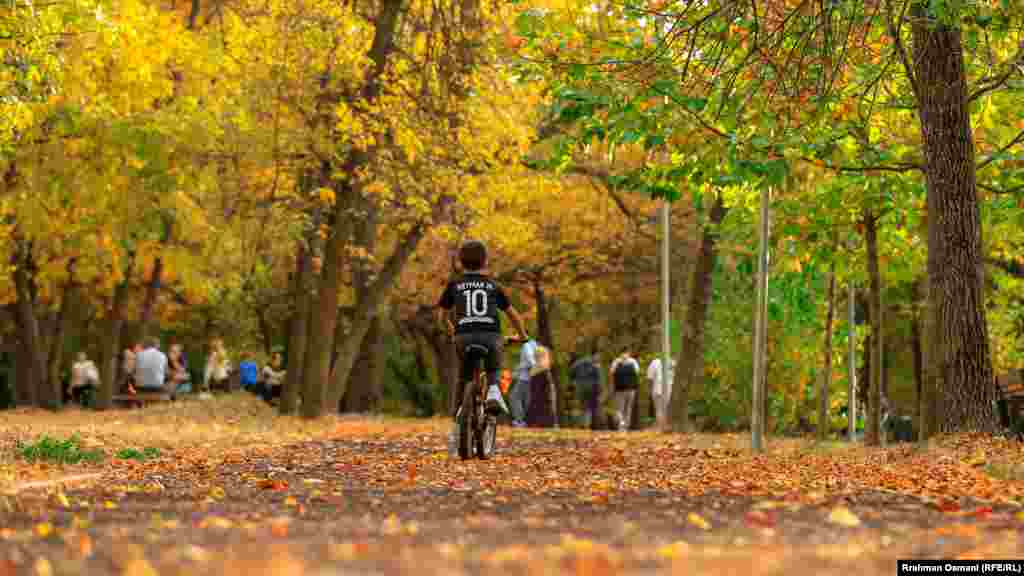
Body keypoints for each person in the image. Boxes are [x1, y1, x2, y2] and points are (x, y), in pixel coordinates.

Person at [436, 239, 530, 418]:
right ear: (485, 261)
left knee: (463, 376)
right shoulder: (494, 286)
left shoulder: (454, 285)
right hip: (490, 335)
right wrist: (522, 335)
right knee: (493, 367)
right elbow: (513, 315)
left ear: (460, 262)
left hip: (463, 336)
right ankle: (493, 392)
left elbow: (442, 317)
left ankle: (458, 411)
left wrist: (452, 332)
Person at [526, 345, 558, 428]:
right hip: (545, 405)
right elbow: (549, 392)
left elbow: (533, 392)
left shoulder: (533, 371)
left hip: (537, 403)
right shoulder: (545, 372)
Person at [569, 349, 601, 428]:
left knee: (579, 406)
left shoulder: (579, 362)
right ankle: (585, 425)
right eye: (598, 356)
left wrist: (574, 381)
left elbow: (571, 372)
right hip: (590, 389)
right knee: (587, 408)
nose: (598, 358)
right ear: (594, 355)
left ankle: (576, 424)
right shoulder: (595, 365)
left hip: (580, 387)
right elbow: (597, 378)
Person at [509, 338, 538, 427]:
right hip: (528, 378)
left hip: (524, 378)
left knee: (514, 397)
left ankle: (519, 421)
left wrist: (519, 368)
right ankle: (524, 420)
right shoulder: (533, 343)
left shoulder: (526, 345)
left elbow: (531, 362)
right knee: (526, 399)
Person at [609, 349, 640, 431]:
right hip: (631, 389)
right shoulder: (633, 362)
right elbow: (637, 373)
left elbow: (612, 374)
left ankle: (621, 424)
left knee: (619, 408)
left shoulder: (616, 362)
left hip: (619, 389)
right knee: (628, 408)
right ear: (629, 353)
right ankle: (626, 426)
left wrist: (612, 387)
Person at [646, 355, 675, 428]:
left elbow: (649, 378)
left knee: (659, 410)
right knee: (666, 410)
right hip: (668, 390)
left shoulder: (655, 362)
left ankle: (661, 427)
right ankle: (664, 426)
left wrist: (649, 389)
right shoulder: (673, 363)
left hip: (657, 389)